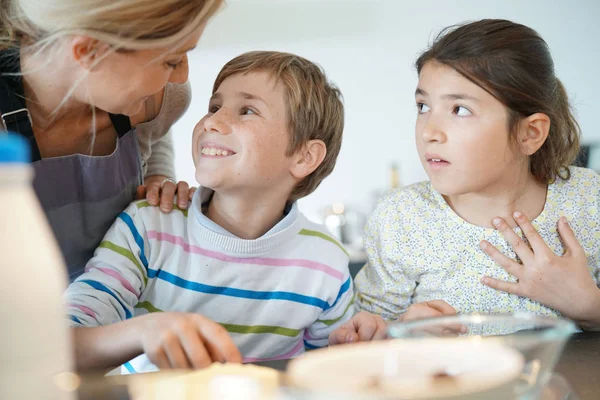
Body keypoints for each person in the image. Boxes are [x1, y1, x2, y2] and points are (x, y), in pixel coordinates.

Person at [65, 50, 357, 373]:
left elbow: (331, 373)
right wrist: (142, 332)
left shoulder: (326, 264)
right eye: (214, 107)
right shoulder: (147, 228)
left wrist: (359, 343)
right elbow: (62, 343)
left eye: (247, 111)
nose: (211, 122)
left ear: (304, 156)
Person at [351, 19, 600, 332]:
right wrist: (398, 332)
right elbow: (366, 338)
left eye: (460, 110)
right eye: (423, 105)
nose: (429, 132)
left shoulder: (591, 199)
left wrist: (589, 306)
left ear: (529, 133)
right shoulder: (401, 217)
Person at [0, 0, 223, 279]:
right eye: (172, 60)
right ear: (89, 51)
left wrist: (157, 176)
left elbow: (155, 134)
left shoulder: (160, 101)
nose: (181, 76)